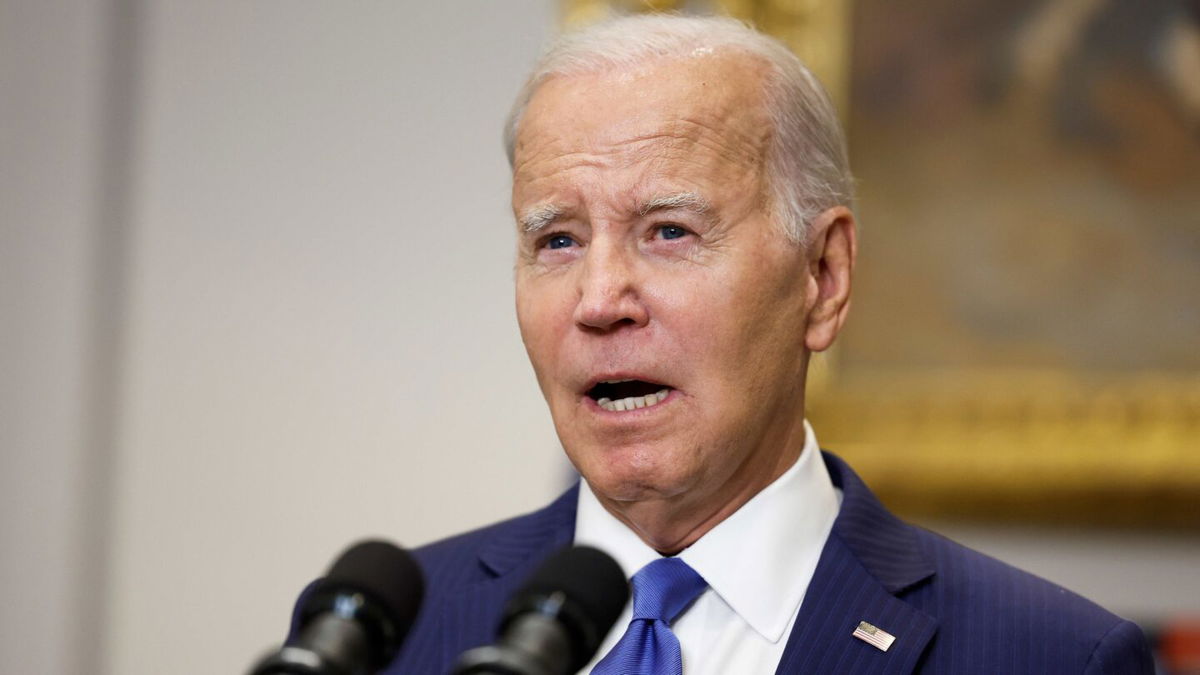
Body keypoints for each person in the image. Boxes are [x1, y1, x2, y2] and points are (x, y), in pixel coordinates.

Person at [309, 14, 1154, 674]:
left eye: (669, 231)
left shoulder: (1049, 659)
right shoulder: (381, 636)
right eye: (557, 240)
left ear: (822, 276)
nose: (599, 300)